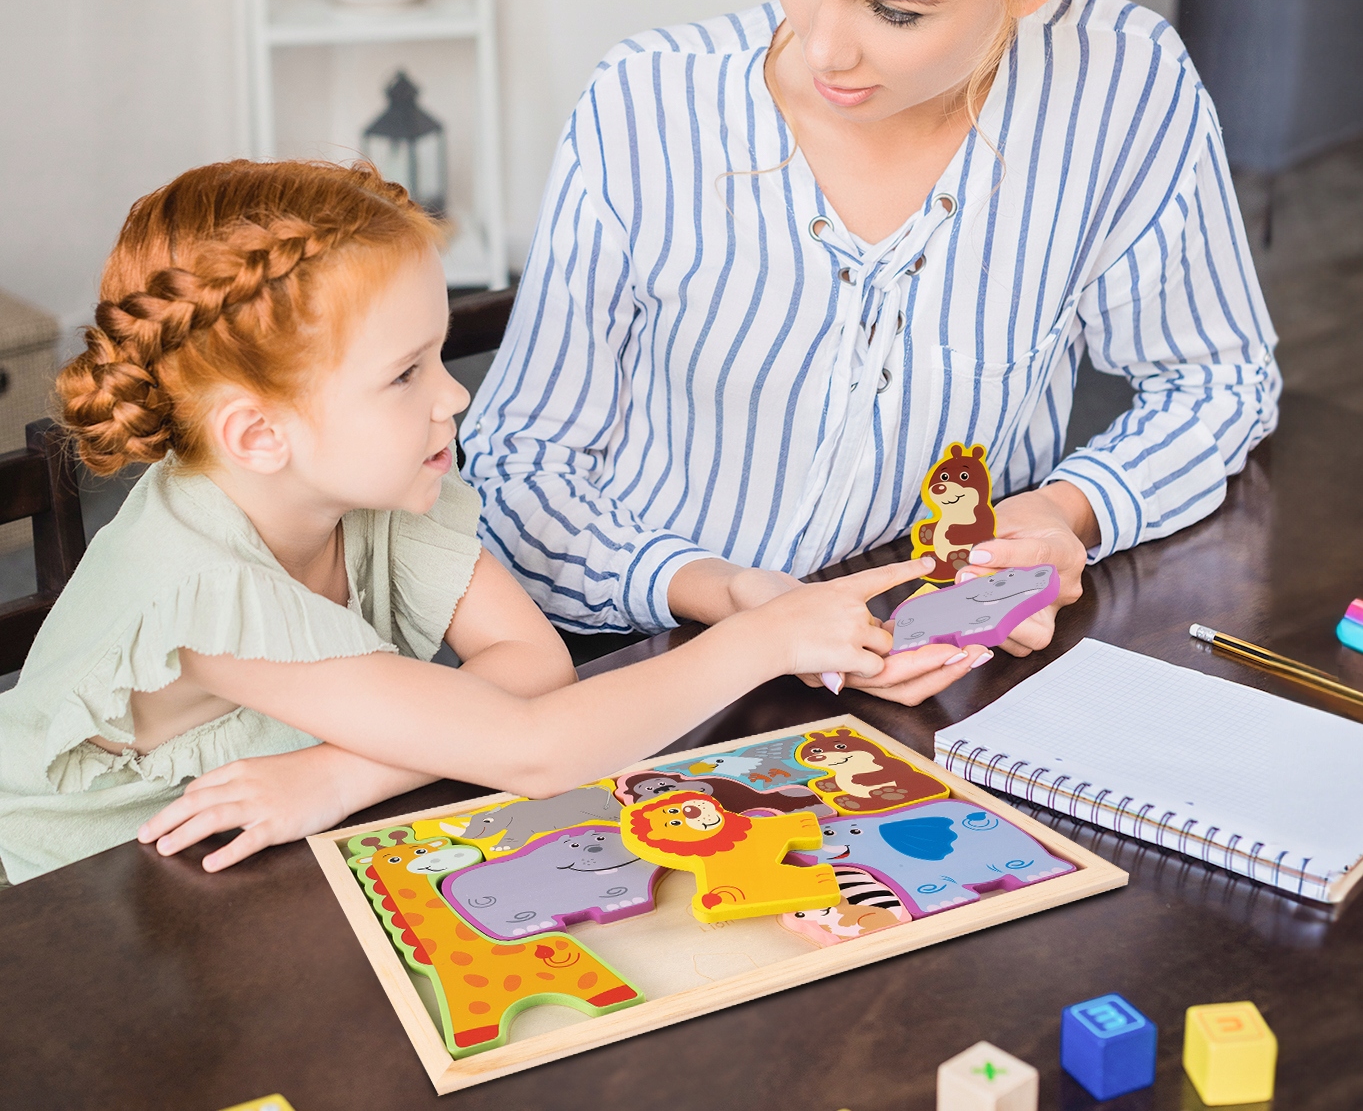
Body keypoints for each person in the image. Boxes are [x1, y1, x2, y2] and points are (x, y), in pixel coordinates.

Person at [462, 0, 1279, 686]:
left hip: (936, 668)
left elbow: (1215, 384)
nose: (822, 50)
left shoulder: (1121, 84)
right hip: (648, 657)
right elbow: (516, 474)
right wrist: (726, 595)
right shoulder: (647, 105)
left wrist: (1065, 511)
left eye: (893, 11)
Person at [0, 159, 974, 886]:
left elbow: (533, 666)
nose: (453, 400)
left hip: (237, 857)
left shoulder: (367, 484)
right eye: (405, 375)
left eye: (438, 359)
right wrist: (758, 640)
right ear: (258, 434)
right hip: (73, 902)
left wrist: (342, 776)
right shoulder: (202, 589)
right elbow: (538, 748)